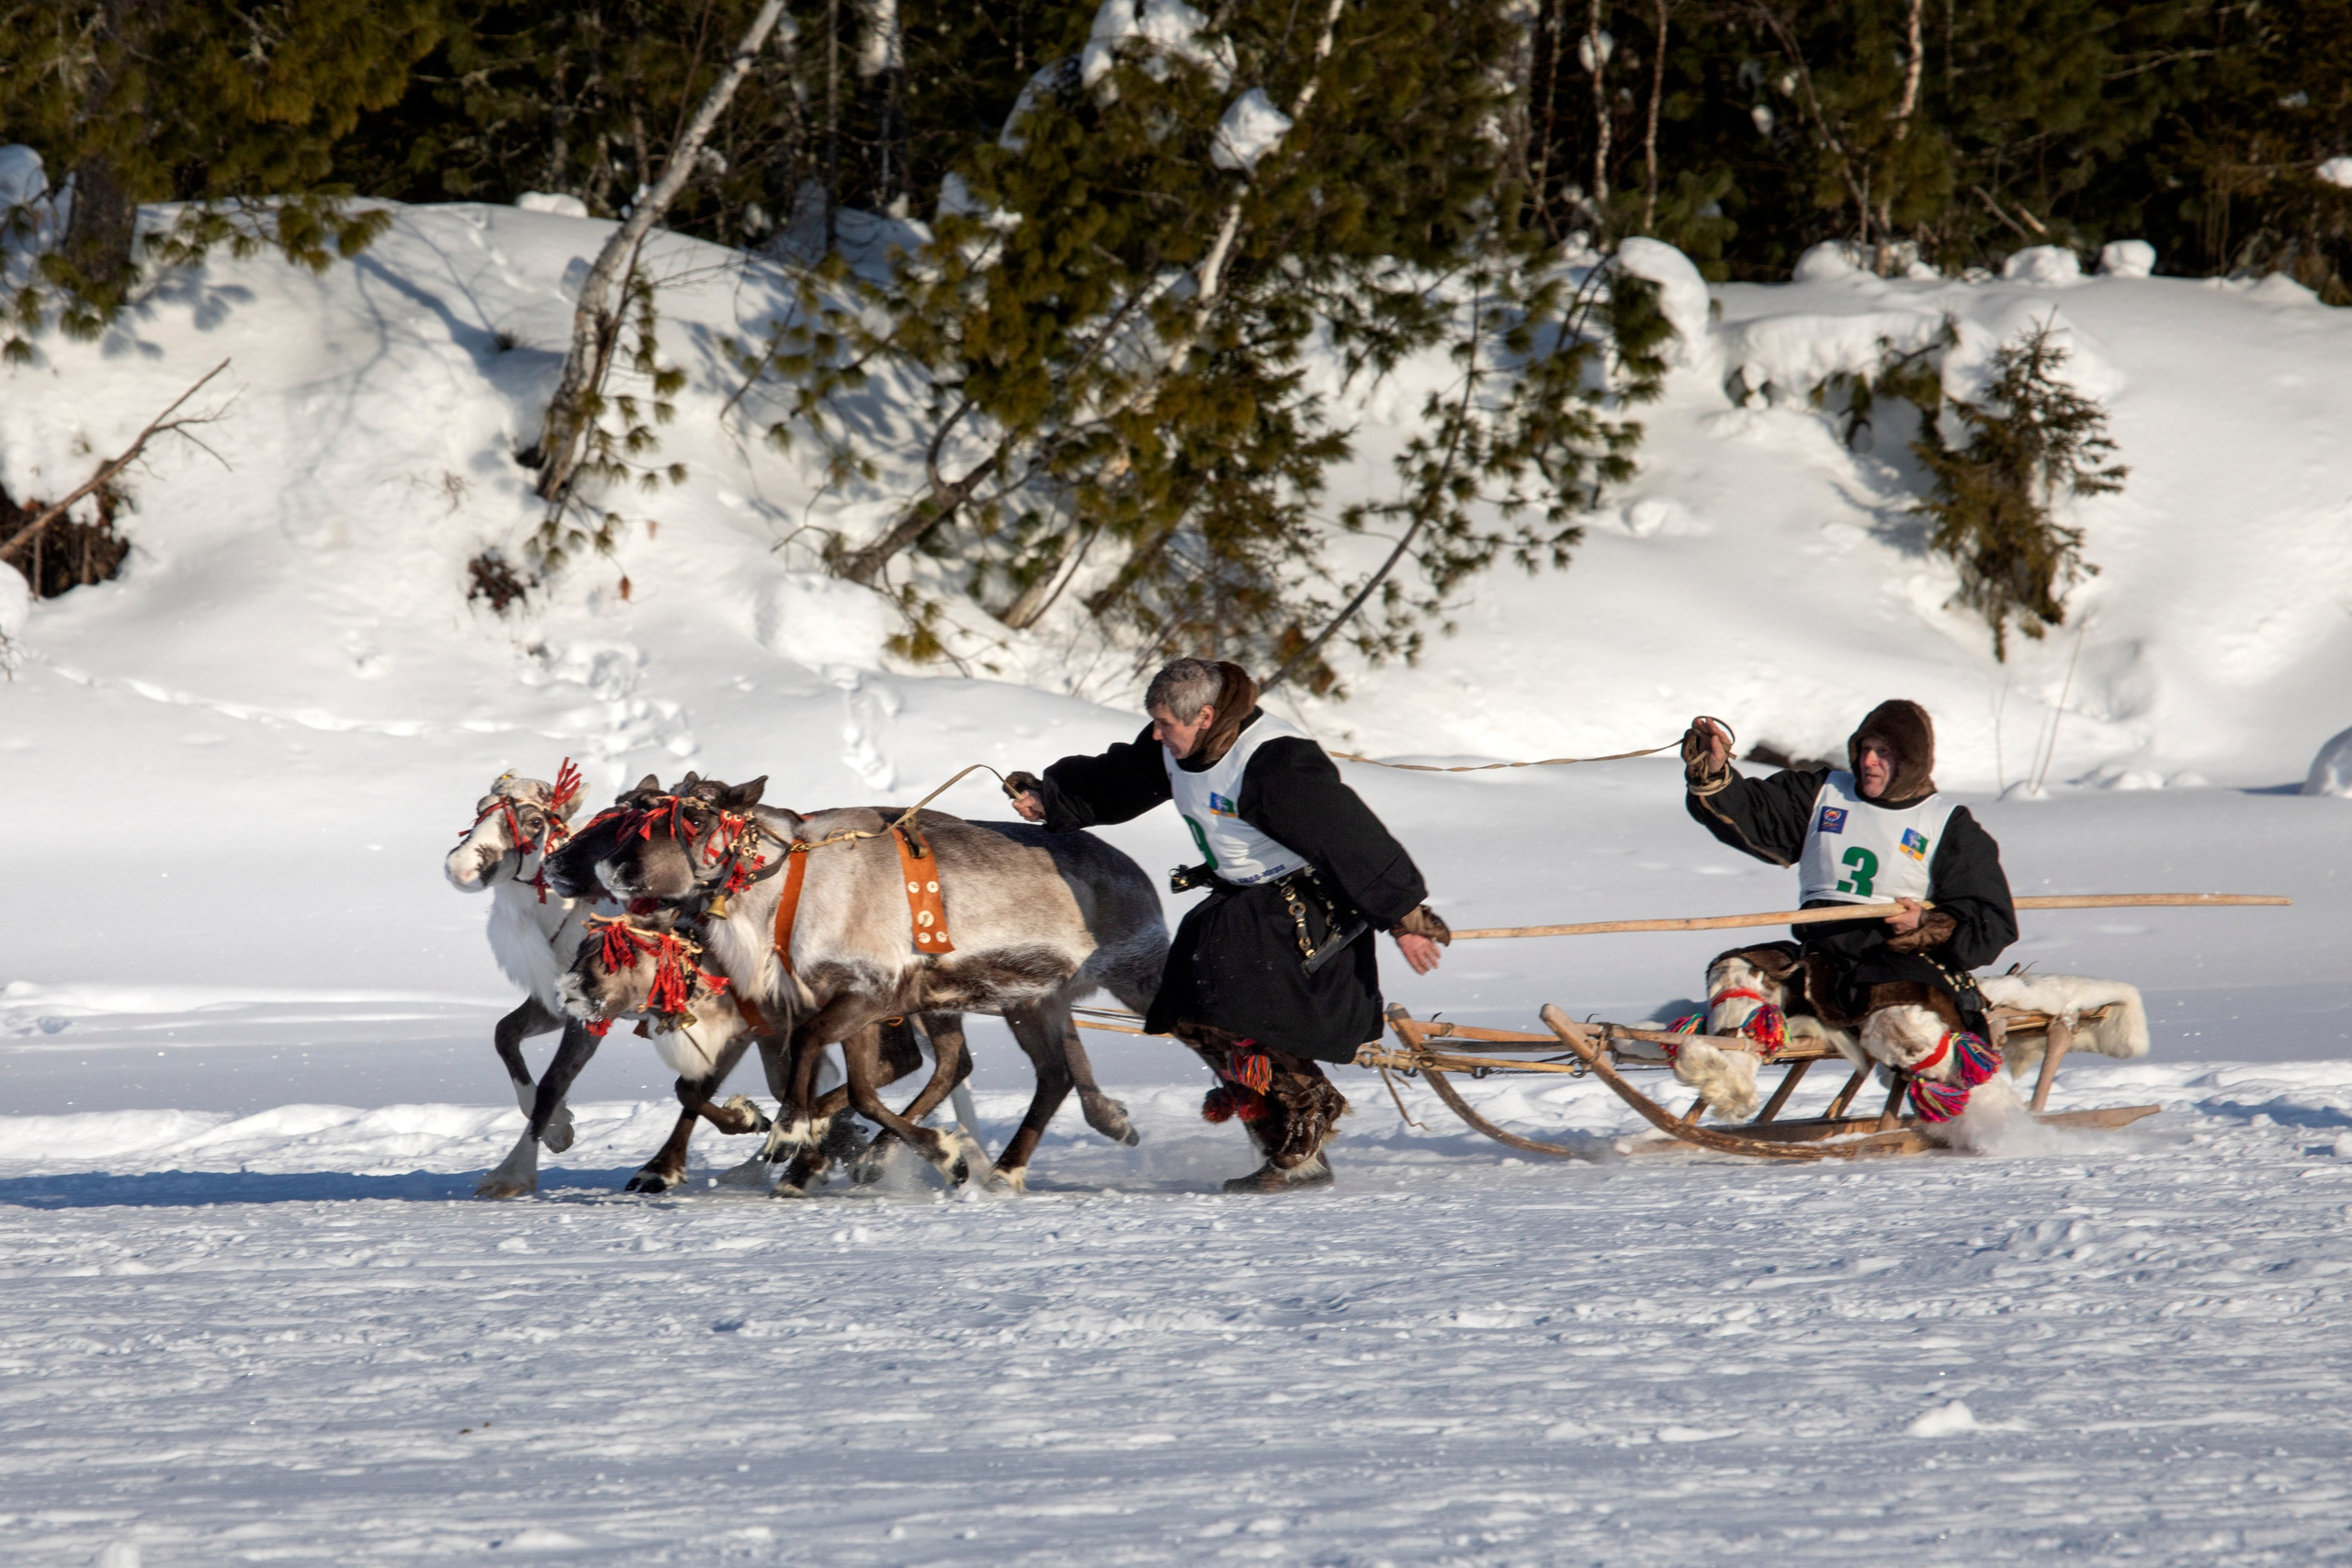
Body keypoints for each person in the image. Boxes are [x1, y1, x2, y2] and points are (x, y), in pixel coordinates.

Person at [1007, 658, 1450, 1192]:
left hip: (1305, 908)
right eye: (1154, 721)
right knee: (1188, 1009)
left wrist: (1403, 916)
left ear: (1207, 715)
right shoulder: (1177, 745)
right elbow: (1117, 780)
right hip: (1240, 902)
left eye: (1165, 723)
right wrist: (1052, 799)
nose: (1155, 733)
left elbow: (1349, 837)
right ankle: (1290, 1147)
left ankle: (1309, 1114)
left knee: (1233, 1006)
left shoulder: (1274, 764)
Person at [1679, 700, 2018, 1037]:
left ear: (1911, 761)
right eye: (1865, 748)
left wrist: (1926, 924)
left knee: (1908, 1029)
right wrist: (1714, 770)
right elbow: (1756, 811)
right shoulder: (1823, 794)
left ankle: (1955, 1085)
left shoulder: (1946, 824)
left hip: (1898, 970)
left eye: (1883, 751)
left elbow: (1991, 922)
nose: (1868, 760)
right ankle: (1727, 1079)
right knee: (1733, 973)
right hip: (1818, 964)